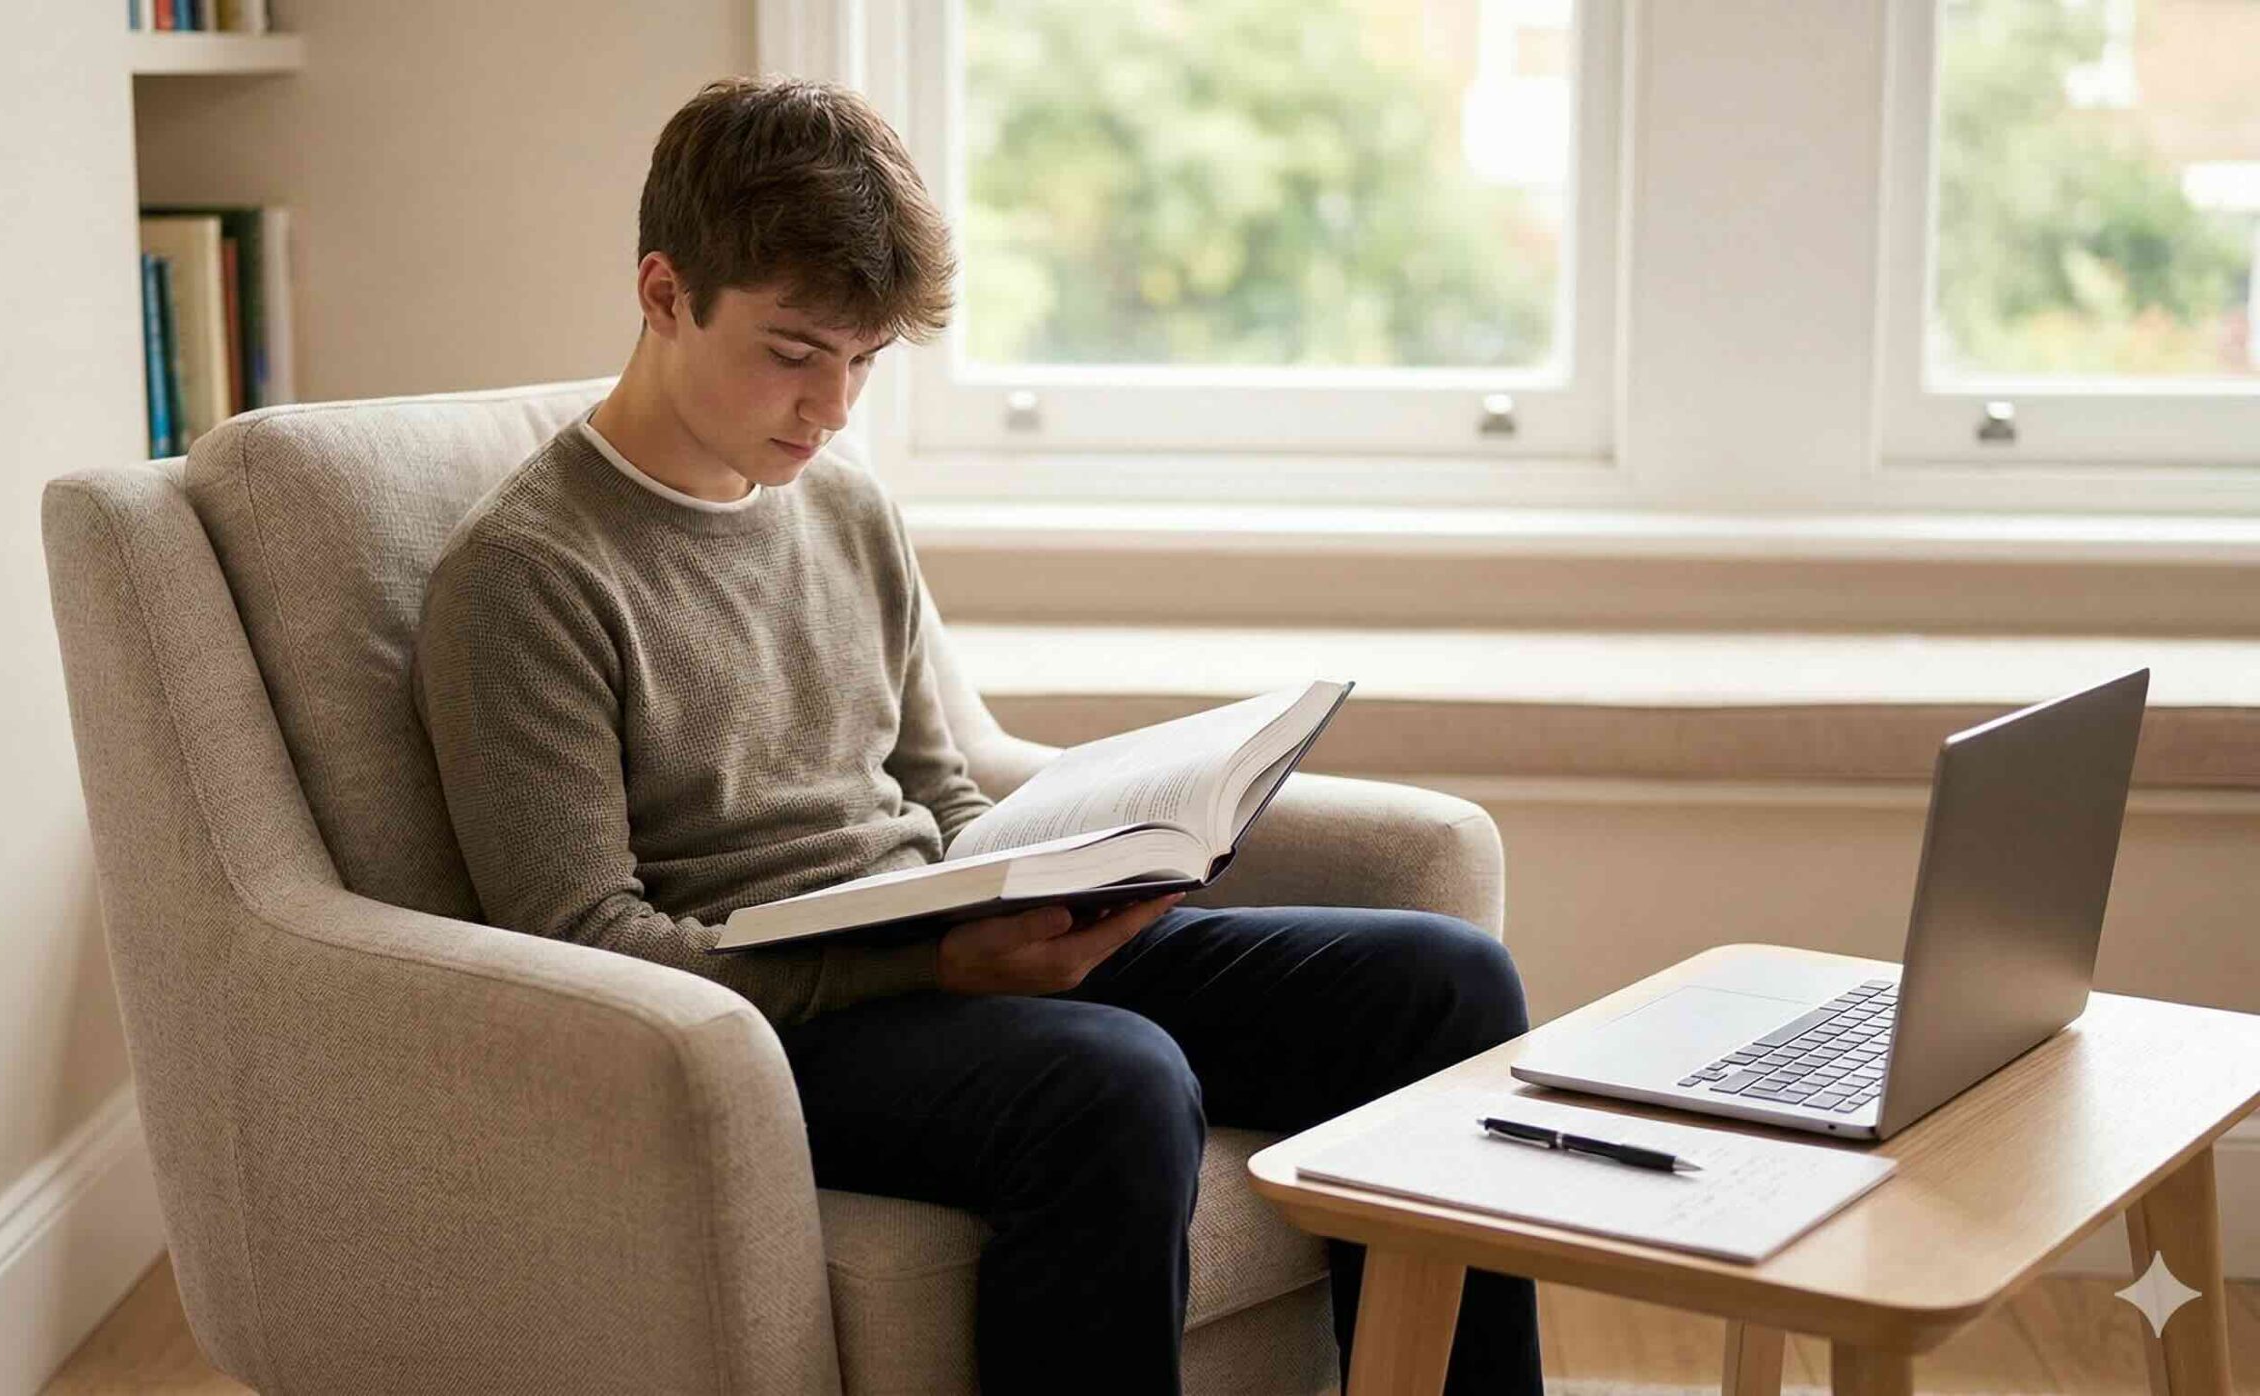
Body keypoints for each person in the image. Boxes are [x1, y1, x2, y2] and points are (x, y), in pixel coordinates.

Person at [411, 74, 1542, 1395]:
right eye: (792, 352)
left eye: (865, 362)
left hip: (946, 955)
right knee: (1114, 1085)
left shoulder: (840, 509)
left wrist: (1071, 877)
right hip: (775, 1027)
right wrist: (942, 966)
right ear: (664, 295)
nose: (831, 407)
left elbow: (940, 793)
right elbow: (584, 950)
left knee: (1446, 989)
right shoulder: (524, 576)